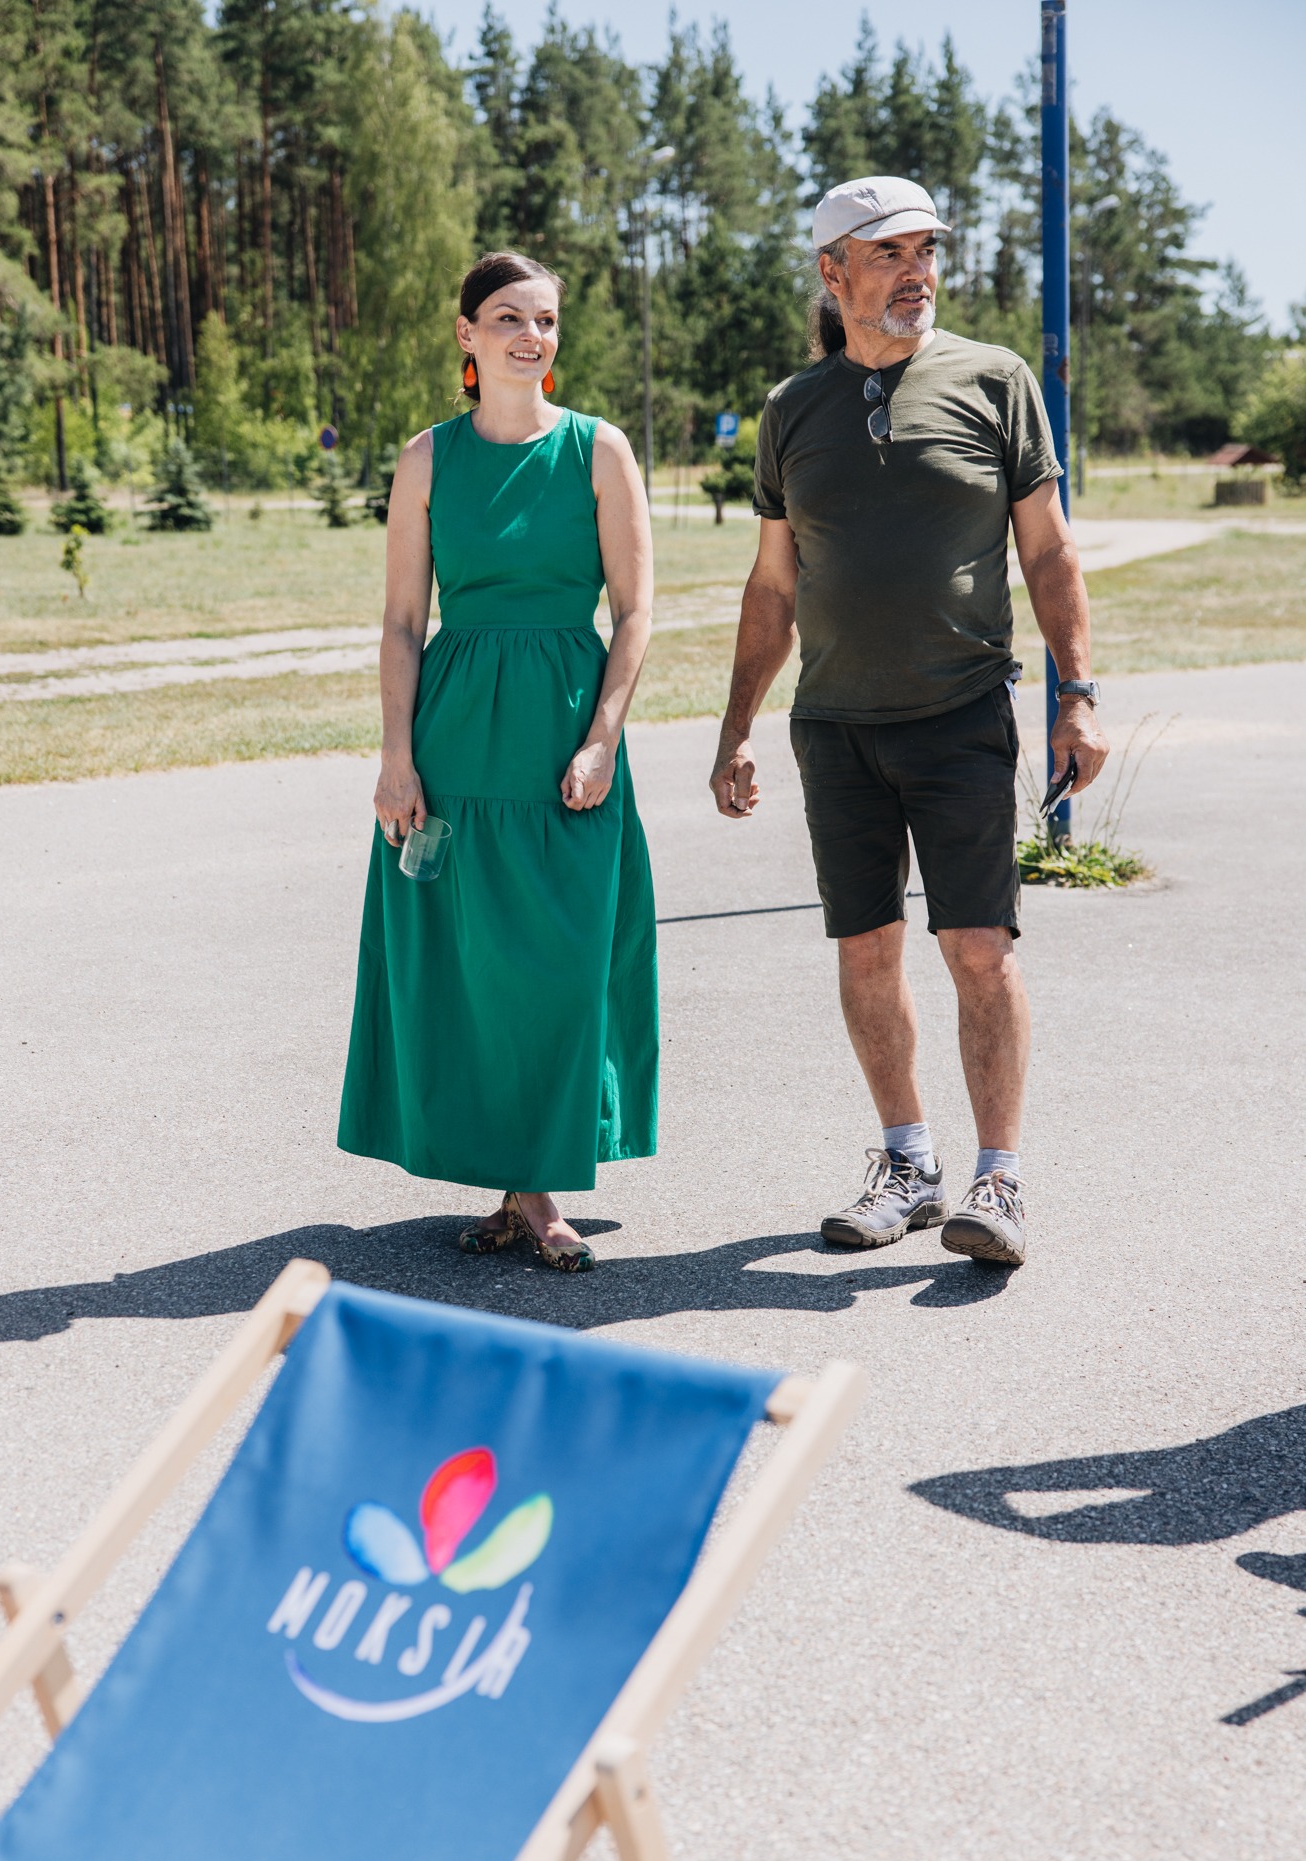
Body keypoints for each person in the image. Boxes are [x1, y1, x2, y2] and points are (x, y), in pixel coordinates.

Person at [709, 177, 1109, 1268]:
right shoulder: (794, 408)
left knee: (977, 945)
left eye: (926, 248)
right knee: (866, 948)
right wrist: (736, 725)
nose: (916, 270)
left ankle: (1000, 1179)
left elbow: (1048, 550)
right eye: (888, 253)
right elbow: (772, 587)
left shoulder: (994, 380)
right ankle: (907, 1164)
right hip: (834, 724)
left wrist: (1076, 692)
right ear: (832, 274)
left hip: (958, 713)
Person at [338, 251, 658, 1273]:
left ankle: (535, 1177)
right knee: (471, 964)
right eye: (509, 317)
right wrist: (396, 754)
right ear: (467, 335)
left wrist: (603, 732)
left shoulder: (599, 451)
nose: (532, 335)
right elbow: (398, 620)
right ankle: (525, 1188)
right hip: (454, 731)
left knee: (563, 965)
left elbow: (636, 609)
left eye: (548, 319)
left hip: (567, 730)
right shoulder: (426, 459)